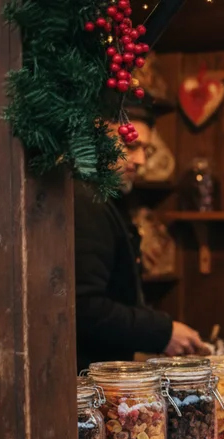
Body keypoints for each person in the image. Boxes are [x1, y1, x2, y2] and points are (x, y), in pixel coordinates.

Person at [75, 108, 203, 371]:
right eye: (130, 144)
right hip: (86, 385)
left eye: (146, 149)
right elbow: (83, 307)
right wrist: (161, 332)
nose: (141, 159)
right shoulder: (84, 201)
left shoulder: (104, 198)